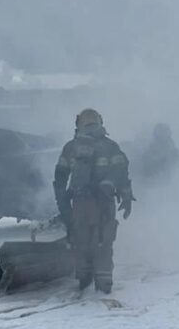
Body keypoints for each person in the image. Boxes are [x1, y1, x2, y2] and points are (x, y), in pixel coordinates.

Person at [53, 108, 133, 293]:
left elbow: (59, 178)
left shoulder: (70, 147)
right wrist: (126, 196)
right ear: (100, 122)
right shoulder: (110, 146)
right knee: (104, 240)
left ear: (78, 124)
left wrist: (63, 206)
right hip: (104, 202)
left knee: (80, 239)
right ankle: (104, 282)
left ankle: (83, 277)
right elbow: (122, 172)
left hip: (80, 203)